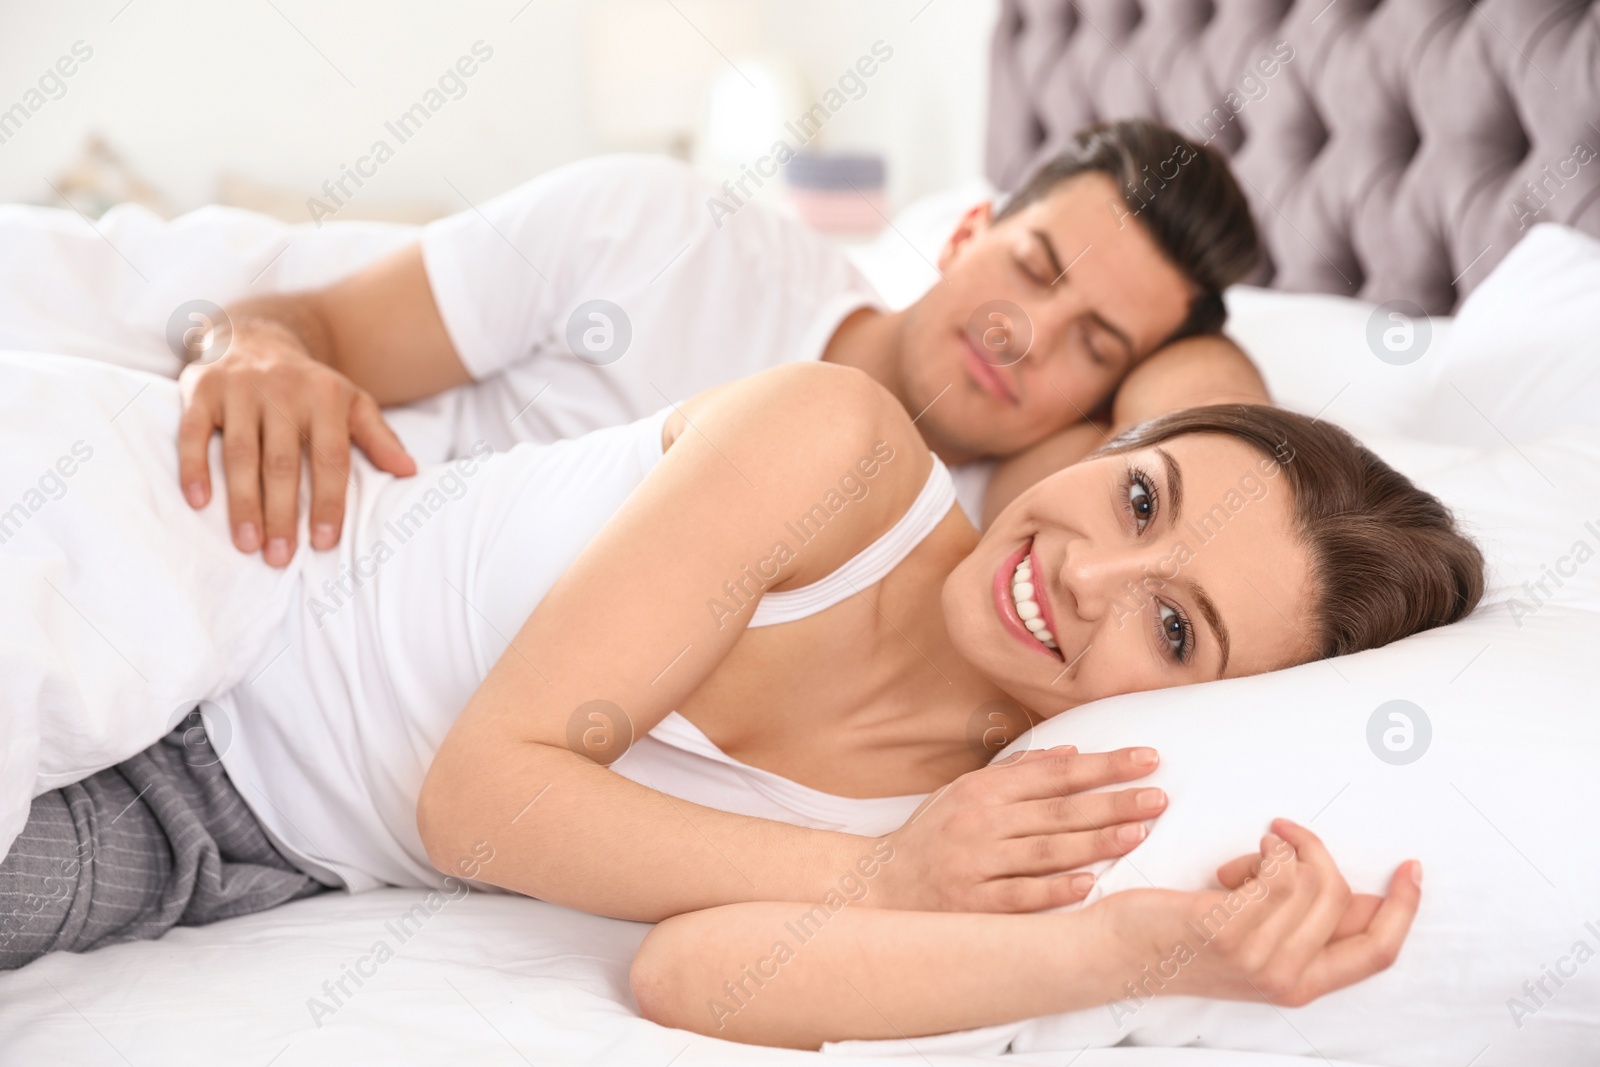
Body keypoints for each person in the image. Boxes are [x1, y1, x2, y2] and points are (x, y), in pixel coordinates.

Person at [1, 357, 1482, 1054]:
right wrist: (886, 875)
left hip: (233, 842)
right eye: (1141, 491)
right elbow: (484, 798)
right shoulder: (839, 448)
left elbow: (696, 982)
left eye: (1173, 624)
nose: (1089, 567)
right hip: (211, 576)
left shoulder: (986, 817)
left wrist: (1133, 945)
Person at [170, 120, 1269, 564]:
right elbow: (306, 325)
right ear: (964, 231)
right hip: (258, 532)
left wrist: (1173, 375)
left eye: (1094, 342)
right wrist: (259, 350)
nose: (1023, 333)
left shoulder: (1001, 551)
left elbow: (1245, 453)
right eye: (1033, 269)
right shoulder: (661, 231)